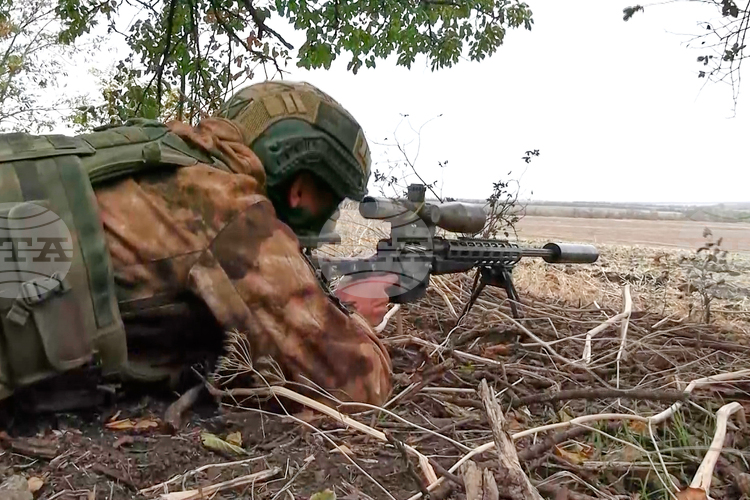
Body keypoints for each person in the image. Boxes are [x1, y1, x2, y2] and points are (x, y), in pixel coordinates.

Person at [0, 81, 396, 411]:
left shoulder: (155, 154)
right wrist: (354, 313)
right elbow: (358, 386)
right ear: (300, 189)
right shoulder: (228, 209)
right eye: (328, 202)